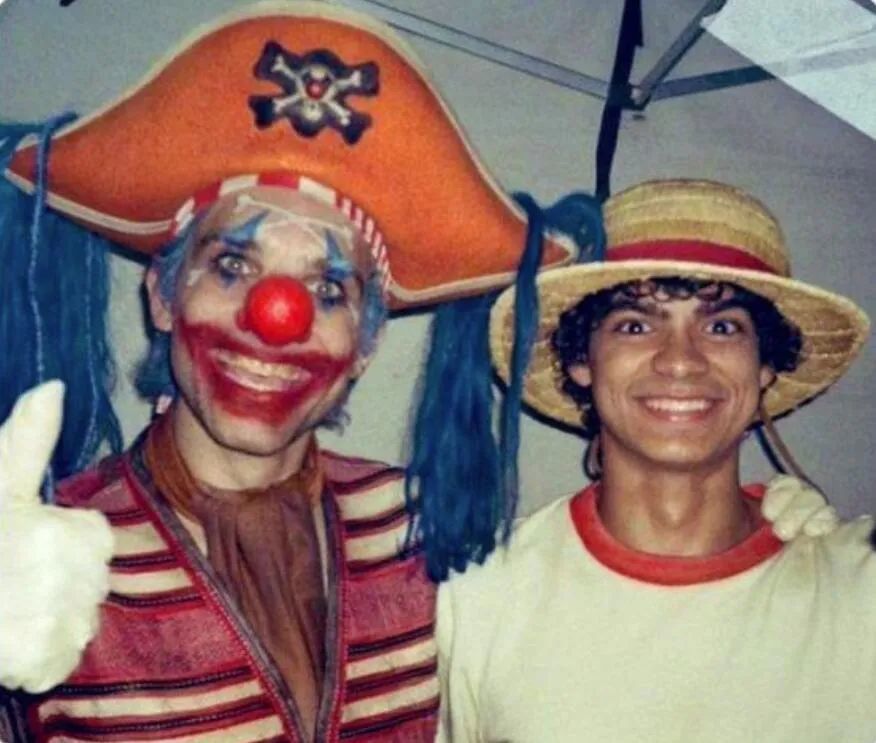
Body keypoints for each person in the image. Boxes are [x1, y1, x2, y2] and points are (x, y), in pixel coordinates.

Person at [0, 4, 584, 741]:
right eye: (233, 265)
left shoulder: (422, 531)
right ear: (163, 296)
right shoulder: (45, 547)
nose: (277, 316)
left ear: (366, 342)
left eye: (329, 289)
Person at [437, 178, 876, 742]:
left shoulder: (860, 591)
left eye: (721, 327)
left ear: (765, 366)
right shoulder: (481, 596)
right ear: (581, 360)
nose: (680, 361)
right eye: (636, 325)